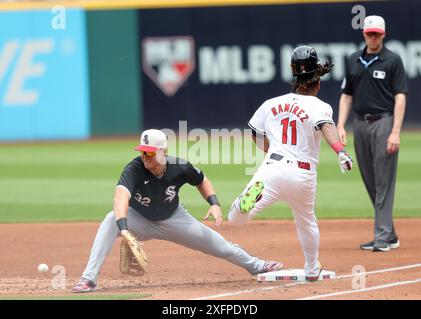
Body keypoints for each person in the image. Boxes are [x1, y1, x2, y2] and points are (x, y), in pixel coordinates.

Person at [72, 129, 283, 293]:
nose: (145, 156)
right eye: (142, 152)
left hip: (174, 218)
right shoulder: (134, 169)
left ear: (163, 152)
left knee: (219, 246)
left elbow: (202, 180)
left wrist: (214, 203)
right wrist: (124, 228)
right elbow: (120, 197)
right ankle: (88, 279)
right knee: (111, 220)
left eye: (150, 153)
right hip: (140, 219)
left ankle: (257, 266)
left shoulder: (179, 166)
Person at [228, 45, 353, 282]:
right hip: (303, 175)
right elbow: (327, 127)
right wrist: (341, 152)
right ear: (318, 81)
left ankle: (243, 204)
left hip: (273, 169)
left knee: (236, 219)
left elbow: (255, 133)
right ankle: (311, 269)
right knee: (306, 221)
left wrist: (270, 149)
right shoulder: (319, 106)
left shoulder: (271, 103)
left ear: (294, 76)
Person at [337, 15, 408, 252]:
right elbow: (347, 94)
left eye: (377, 33)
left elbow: (400, 97)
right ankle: (390, 234)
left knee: (384, 181)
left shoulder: (392, 60)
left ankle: (382, 236)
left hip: (384, 122)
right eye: (370, 33)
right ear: (364, 34)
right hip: (360, 124)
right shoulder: (353, 60)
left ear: (384, 34)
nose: (373, 37)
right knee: (371, 180)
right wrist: (340, 125)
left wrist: (395, 131)